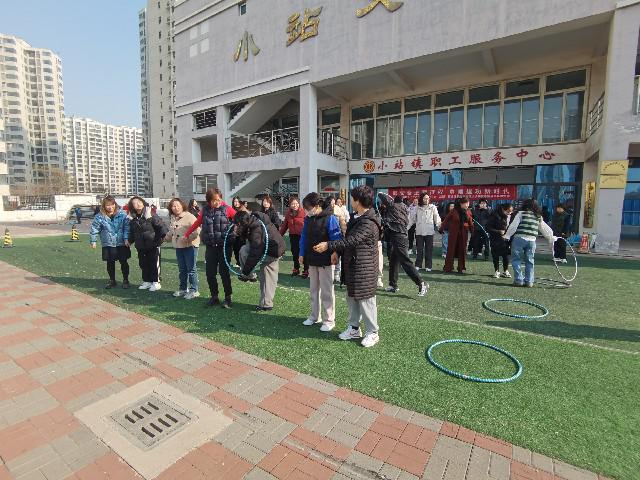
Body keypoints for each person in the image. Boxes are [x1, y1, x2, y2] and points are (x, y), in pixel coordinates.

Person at [313, 185, 383, 348]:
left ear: (358, 201)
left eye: (352, 198)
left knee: (366, 299)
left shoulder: (369, 221)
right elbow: (347, 239)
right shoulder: (356, 217)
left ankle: (373, 332)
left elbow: (352, 240)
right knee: (352, 297)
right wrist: (337, 252)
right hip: (353, 265)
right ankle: (353, 328)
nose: (350, 201)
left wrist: (328, 245)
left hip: (365, 268)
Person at [184, 189, 236, 308]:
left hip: (224, 246)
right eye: (214, 200)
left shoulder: (227, 209)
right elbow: (197, 223)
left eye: (219, 199)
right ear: (209, 201)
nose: (217, 202)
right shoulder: (205, 210)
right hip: (211, 246)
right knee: (210, 273)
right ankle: (214, 296)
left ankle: (228, 297)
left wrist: (237, 228)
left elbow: (239, 218)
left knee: (224, 273)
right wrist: (187, 234)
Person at [299, 193, 343, 331]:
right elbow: (304, 236)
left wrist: (335, 252)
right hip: (312, 258)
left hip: (326, 259)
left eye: (308, 208)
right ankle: (314, 316)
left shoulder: (330, 218)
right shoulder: (308, 219)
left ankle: (329, 320)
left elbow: (337, 238)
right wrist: (301, 253)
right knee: (313, 290)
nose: (307, 211)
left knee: (326, 291)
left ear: (317, 206)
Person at [235, 210, 286, 311]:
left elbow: (255, 253)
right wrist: (239, 232)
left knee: (267, 275)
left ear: (241, 223)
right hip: (265, 246)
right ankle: (249, 275)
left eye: (237, 224)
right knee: (244, 250)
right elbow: (249, 241)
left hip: (273, 251)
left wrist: (245, 271)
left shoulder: (256, 229)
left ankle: (266, 304)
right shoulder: (252, 221)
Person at [378, 194, 428, 296]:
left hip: (398, 236)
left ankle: (421, 283)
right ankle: (393, 285)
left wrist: (389, 198)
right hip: (401, 236)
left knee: (405, 261)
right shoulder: (405, 207)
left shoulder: (393, 205)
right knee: (394, 260)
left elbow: (381, 195)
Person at [504, 198, 556, 287]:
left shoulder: (521, 214)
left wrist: (507, 236)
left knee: (516, 259)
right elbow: (544, 229)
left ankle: (518, 280)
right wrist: (551, 237)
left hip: (519, 239)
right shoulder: (538, 216)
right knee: (530, 261)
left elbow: (513, 226)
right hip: (532, 240)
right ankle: (529, 281)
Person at [89, 196, 131, 289]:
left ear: (115, 204)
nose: (110, 207)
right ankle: (112, 280)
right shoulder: (99, 216)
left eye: (112, 204)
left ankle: (125, 280)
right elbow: (95, 228)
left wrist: (126, 238)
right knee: (110, 263)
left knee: (123, 262)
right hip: (108, 242)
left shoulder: (122, 214)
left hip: (121, 242)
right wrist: (93, 240)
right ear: (104, 206)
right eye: (107, 205)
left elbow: (127, 227)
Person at [127, 196, 168, 291]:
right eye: (134, 203)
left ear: (143, 202)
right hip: (140, 245)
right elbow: (133, 231)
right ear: (132, 206)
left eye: (139, 202)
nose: (137, 204)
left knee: (154, 263)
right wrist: (130, 240)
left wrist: (163, 236)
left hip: (153, 243)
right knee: (143, 263)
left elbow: (161, 226)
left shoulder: (151, 213)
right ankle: (147, 281)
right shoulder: (133, 217)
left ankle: (156, 282)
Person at [166, 198, 200, 299]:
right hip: (179, 246)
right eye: (173, 206)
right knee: (182, 269)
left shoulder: (189, 216)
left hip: (190, 246)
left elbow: (197, 230)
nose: (176, 208)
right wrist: (165, 238)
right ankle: (183, 289)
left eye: (178, 205)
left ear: (182, 206)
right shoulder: (173, 217)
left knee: (191, 269)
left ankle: (194, 290)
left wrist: (188, 238)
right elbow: (171, 231)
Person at [409, 192, 441, 272]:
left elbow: (437, 218)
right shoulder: (417, 208)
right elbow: (411, 219)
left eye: (427, 198)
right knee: (419, 249)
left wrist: (440, 227)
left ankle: (428, 266)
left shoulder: (432, 207)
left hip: (429, 231)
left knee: (429, 250)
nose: (426, 200)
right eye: (425, 198)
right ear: (421, 199)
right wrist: (407, 228)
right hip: (419, 231)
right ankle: (418, 265)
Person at [441, 197, 474, 274]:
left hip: (463, 233)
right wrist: (441, 228)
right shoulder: (454, 211)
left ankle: (461, 267)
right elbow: (446, 220)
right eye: (465, 203)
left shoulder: (468, 211)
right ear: (461, 204)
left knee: (462, 250)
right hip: (453, 233)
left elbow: (470, 222)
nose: (467, 205)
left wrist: (472, 231)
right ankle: (448, 267)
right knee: (451, 250)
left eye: (468, 203)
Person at [485, 203, 514, 279]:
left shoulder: (511, 216)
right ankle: (496, 271)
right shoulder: (494, 215)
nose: (510, 213)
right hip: (495, 239)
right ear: (503, 209)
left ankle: (506, 271)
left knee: (506, 255)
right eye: (508, 211)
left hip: (506, 239)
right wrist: (498, 231)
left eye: (511, 211)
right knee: (495, 255)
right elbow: (487, 227)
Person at [280, 197, 307, 276]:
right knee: (295, 252)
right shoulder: (288, 213)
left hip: (303, 236)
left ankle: (306, 269)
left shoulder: (304, 212)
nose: (295, 205)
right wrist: (279, 235)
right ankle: (296, 268)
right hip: (293, 235)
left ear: (299, 204)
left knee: (304, 252)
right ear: (290, 205)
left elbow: (308, 224)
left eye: (296, 203)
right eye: (292, 204)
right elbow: (284, 225)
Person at [332, 197, 350, 283]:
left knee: (339, 255)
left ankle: (337, 274)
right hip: (333, 236)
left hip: (340, 236)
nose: (338, 203)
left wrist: (345, 234)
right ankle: (333, 273)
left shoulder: (344, 211)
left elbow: (345, 224)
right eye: (337, 202)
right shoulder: (332, 210)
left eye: (340, 202)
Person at [231, 197, 245, 266]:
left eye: (237, 201)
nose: (236, 203)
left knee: (241, 248)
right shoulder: (231, 210)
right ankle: (238, 262)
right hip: (233, 233)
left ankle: (241, 262)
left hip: (241, 233)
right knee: (235, 248)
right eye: (234, 201)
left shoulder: (242, 210)